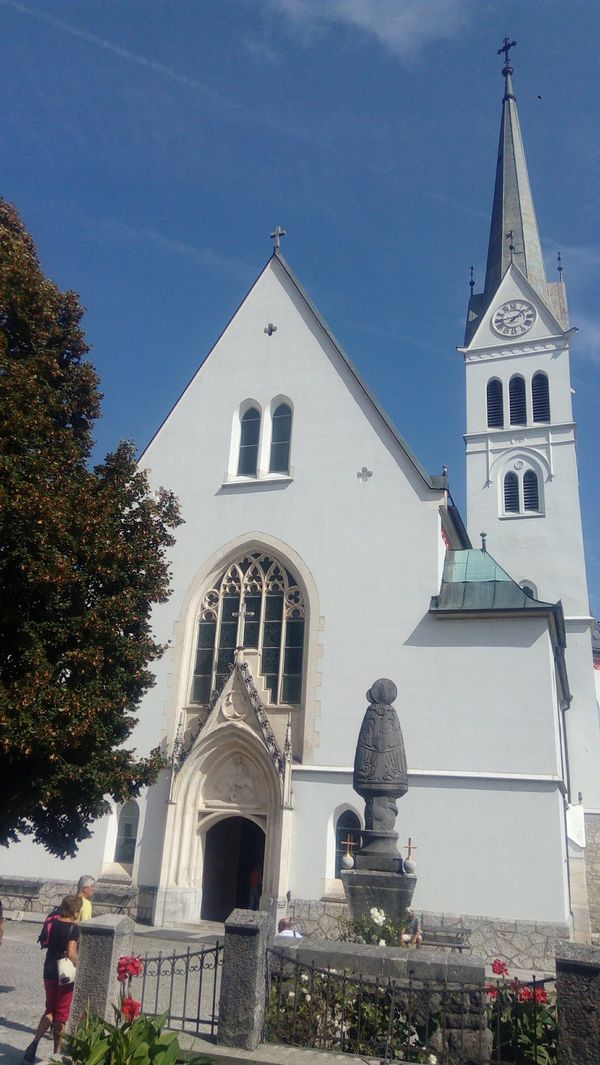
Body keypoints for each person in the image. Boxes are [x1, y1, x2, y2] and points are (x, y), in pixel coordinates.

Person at [24, 895, 82, 1062]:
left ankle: (33, 1044)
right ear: (76, 912)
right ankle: (57, 1053)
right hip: (64, 975)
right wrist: (80, 962)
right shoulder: (74, 928)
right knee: (61, 1016)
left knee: (49, 1009)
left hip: (48, 970)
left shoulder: (54, 923)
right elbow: (71, 953)